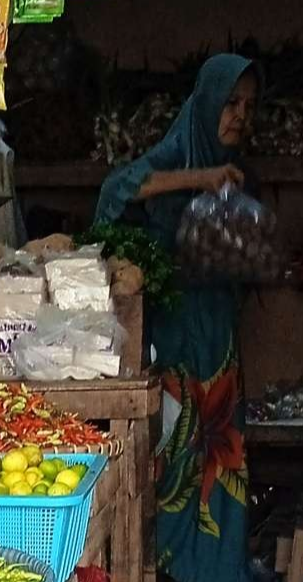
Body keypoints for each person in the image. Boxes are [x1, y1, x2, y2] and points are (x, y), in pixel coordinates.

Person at [94, 54, 259, 582]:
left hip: (216, 337)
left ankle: (216, 567)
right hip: (171, 335)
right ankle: (167, 568)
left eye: (248, 108)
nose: (238, 117)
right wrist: (199, 178)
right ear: (207, 103)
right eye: (230, 104)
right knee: (173, 452)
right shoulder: (180, 152)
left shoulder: (234, 172)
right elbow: (116, 190)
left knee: (219, 454)